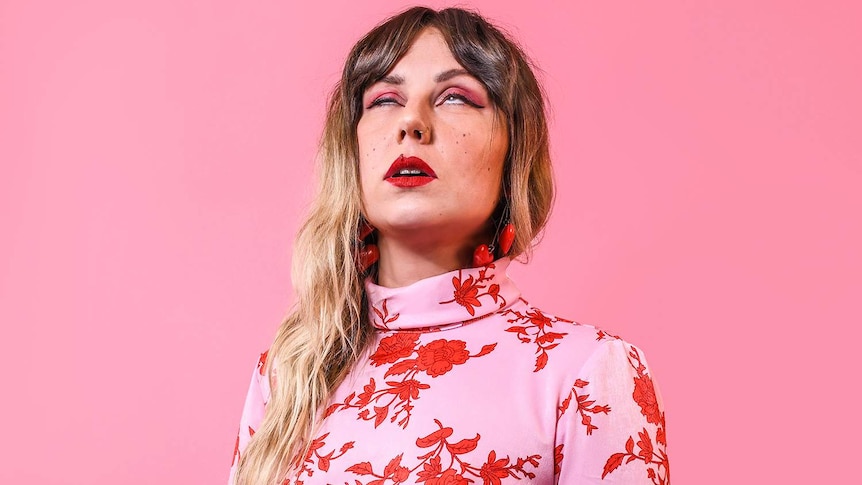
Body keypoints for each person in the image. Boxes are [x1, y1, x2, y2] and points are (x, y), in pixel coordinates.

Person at [230, 6, 669, 485]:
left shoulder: (584, 372)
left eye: (455, 97)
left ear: (513, 153)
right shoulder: (288, 373)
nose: (411, 124)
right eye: (383, 100)